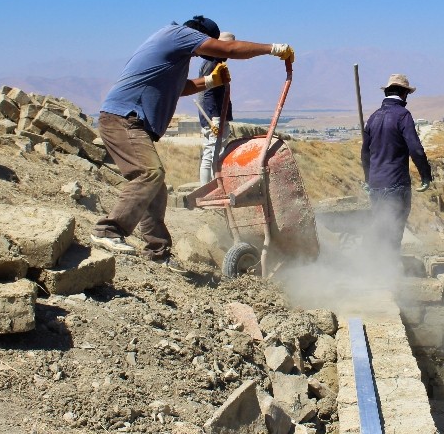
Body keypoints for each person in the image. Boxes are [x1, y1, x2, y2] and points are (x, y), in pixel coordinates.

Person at [91, 16, 294, 263]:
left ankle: (157, 252)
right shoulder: (179, 34)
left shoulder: (173, 48)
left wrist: (209, 81)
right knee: (150, 173)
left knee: (156, 186)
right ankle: (108, 230)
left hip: (127, 119)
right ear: (201, 36)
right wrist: (273, 49)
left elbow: (180, 88)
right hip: (124, 118)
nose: (202, 55)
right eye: (206, 45)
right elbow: (229, 48)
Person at [360, 73, 432, 253]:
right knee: (394, 230)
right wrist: (425, 175)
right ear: (403, 93)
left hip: (376, 185)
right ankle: (388, 265)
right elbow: (415, 148)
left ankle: (374, 263)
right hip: (396, 184)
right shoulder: (403, 115)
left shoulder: (373, 117)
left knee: (380, 228)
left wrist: (368, 179)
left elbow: (365, 153)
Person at [197, 33, 235, 185]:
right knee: (214, 155)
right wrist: (216, 119)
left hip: (211, 115)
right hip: (215, 116)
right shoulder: (213, 64)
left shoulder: (209, 62)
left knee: (210, 153)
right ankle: (212, 188)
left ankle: (207, 188)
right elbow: (209, 93)